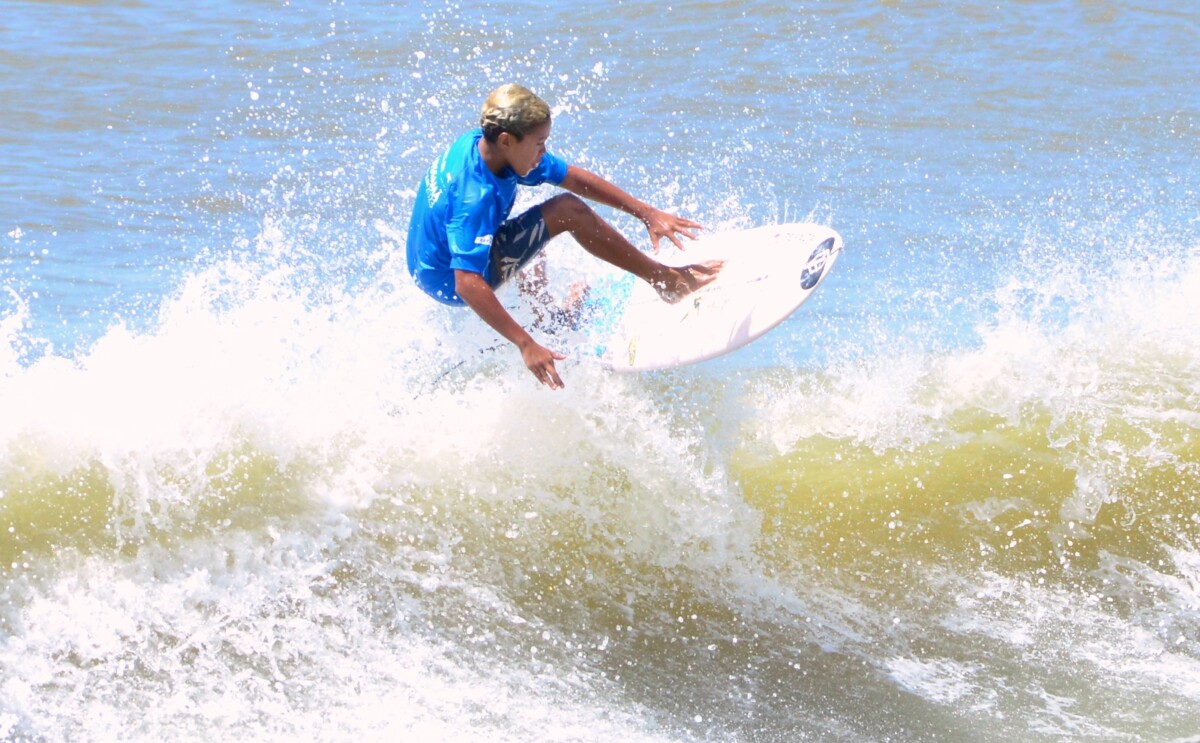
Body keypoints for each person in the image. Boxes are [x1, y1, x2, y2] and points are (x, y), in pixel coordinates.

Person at [407, 83, 723, 389]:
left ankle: (552, 319)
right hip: (447, 279)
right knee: (565, 211)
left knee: (533, 230)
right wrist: (525, 344)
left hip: (426, 257)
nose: (543, 152)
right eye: (539, 143)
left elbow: (569, 176)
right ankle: (665, 281)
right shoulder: (474, 198)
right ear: (507, 140)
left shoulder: (485, 145)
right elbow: (467, 283)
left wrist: (646, 213)